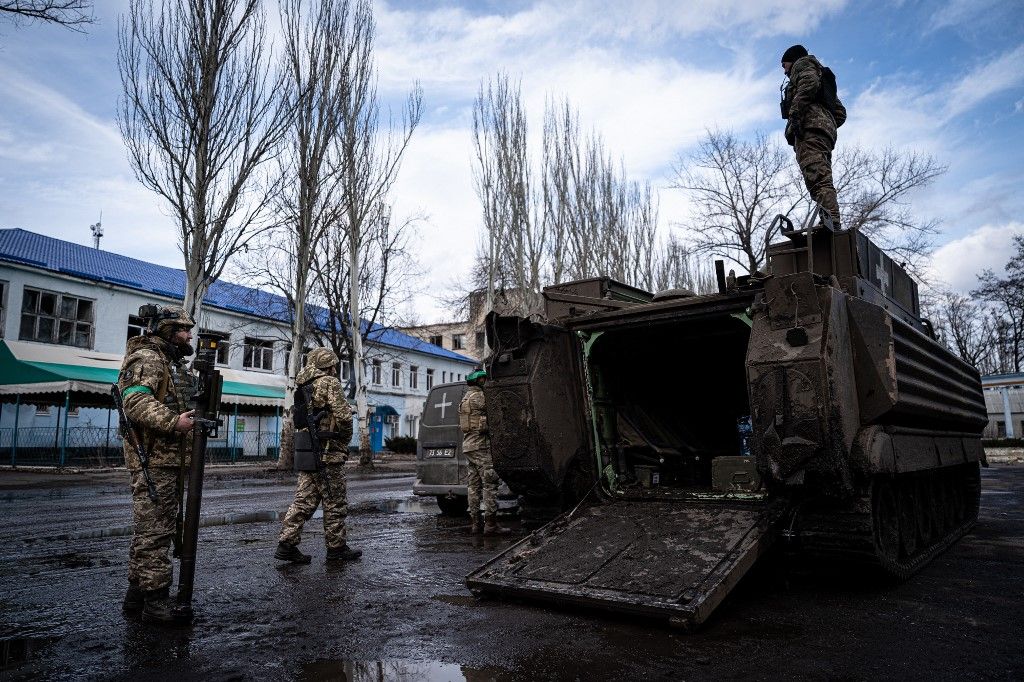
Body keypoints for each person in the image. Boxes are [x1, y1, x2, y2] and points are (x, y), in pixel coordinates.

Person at [117, 305, 197, 625]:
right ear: (165, 330)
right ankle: (156, 601)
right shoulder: (148, 358)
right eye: (182, 329)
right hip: (155, 459)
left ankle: (137, 596)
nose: (189, 335)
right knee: (156, 532)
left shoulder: (168, 362)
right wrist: (173, 422)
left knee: (152, 530)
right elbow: (135, 401)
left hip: (167, 460)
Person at [275, 348, 362, 563]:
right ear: (329, 365)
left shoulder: (305, 384)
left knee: (303, 501)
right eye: (334, 365)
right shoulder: (330, 383)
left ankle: (286, 544)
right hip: (328, 451)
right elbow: (343, 416)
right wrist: (344, 441)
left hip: (307, 451)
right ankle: (336, 549)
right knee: (335, 501)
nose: (335, 369)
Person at [781, 44, 847, 230]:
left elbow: (809, 82)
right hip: (823, 134)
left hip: (809, 132)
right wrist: (826, 124)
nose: (784, 70)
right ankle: (829, 220)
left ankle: (831, 222)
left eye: (784, 65)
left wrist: (796, 113)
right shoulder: (820, 75)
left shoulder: (802, 66)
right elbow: (840, 113)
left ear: (791, 60)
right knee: (821, 178)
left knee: (817, 179)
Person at [458, 369, 510, 536]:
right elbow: (498, 412)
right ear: (480, 381)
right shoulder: (480, 397)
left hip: (469, 446)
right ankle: (491, 524)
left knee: (473, 486)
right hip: (481, 446)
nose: (486, 382)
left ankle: (475, 524)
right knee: (490, 484)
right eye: (484, 379)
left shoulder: (465, 398)